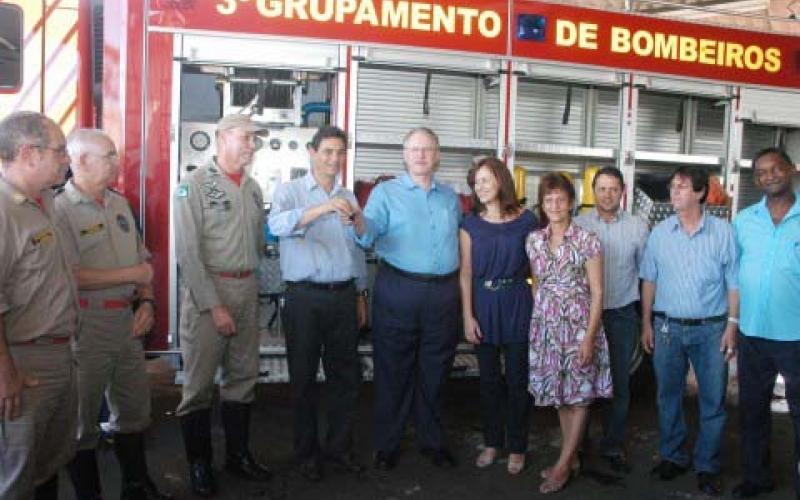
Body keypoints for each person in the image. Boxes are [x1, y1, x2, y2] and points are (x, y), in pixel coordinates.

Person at [55, 129, 171, 500]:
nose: (116, 162)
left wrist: (148, 301)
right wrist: (132, 277)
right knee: (82, 423)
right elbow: (67, 276)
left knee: (133, 412)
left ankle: (136, 486)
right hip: (86, 325)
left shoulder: (119, 203)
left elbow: (142, 259)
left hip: (125, 323)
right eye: (109, 156)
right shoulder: (60, 210)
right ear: (82, 161)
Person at [352, 127, 462, 471]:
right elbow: (368, 233)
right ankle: (388, 445)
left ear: (438, 154)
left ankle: (432, 442)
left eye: (427, 149)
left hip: (444, 293)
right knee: (393, 370)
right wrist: (356, 221)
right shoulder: (385, 193)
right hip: (399, 289)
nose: (420, 155)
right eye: (414, 149)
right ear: (404, 154)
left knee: (436, 369)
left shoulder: (450, 197)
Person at [173, 114, 271, 497]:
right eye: (246, 138)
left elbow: (257, 245)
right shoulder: (193, 186)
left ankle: (238, 456)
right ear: (223, 137)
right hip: (208, 293)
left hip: (246, 290)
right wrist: (214, 306)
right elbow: (188, 254)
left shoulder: (252, 187)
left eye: (254, 140)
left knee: (243, 378)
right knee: (198, 386)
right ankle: (199, 465)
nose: (251, 146)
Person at [269, 125, 368, 482]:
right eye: (327, 151)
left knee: (346, 378)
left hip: (342, 296)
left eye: (340, 152)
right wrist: (322, 207)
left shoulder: (350, 196)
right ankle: (306, 453)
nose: (334, 159)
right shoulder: (290, 191)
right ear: (311, 153)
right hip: (304, 299)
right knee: (303, 379)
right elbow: (276, 225)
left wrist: (360, 294)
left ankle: (339, 450)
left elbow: (358, 247)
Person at [640, 165, 739, 497]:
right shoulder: (659, 233)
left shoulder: (723, 232)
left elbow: (733, 282)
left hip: (712, 330)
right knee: (668, 395)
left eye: (682, 186)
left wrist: (732, 326)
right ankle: (673, 456)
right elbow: (649, 279)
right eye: (672, 187)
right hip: (667, 327)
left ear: (700, 192)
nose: (674, 192)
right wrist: (646, 323)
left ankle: (707, 466)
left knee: (713, 400)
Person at [0, 111, 79, 500]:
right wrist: (5, 375)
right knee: (15, 475)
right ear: (28, 153)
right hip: (23, 364)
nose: (68, 159)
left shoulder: (47, 201)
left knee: (49, 463)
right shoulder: (4, 211)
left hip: (60, 354)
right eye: (60, 151)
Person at [526, 172, 612, 494]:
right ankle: (571, 457)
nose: (555, 205)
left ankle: (562, 465)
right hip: (547, 328)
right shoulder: (534, 240)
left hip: (579, 328)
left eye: (561, 198)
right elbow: (537, 282)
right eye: (548, 199)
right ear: (542, 203)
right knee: (560, 395)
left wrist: (588, 337)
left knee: (579, 395)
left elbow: (598, 292)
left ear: (572, 202)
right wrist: (543, 320)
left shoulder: (588, 241)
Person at [459, 158, 537, 475]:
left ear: (502, 181)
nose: (480, 187)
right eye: (476, 182)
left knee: (519, 381)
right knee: (489, 381)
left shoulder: (527, 221)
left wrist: (540, 313)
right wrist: (467, 316)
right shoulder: (470, 224)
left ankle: (518, 446)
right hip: (483, 303)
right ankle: (493, 442)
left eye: (486, 180)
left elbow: (536, 271)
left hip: (518, 300)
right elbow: (465, 273)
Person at [732, 147, 800, 500]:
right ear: (755, 178)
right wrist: (732, 323)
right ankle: (757, 479)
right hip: (752, 334)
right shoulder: (744, 221)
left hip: (796, 337)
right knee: (752, 412)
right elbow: (734, 276)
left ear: (790, 170)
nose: (769, 175)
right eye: (761, 171)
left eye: (776, 168)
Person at [574, 166, 649, 473]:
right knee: (583, 382)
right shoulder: (577, 225)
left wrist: (644, 319)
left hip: (621, 314)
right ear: (593, 191)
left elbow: (646, 277)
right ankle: (579, 444)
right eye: (601, 188)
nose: (607, 194)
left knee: (619, 384)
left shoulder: (638, 226)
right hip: (584, 315)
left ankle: (613, 446)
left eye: (613, 189)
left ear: (622, 192)